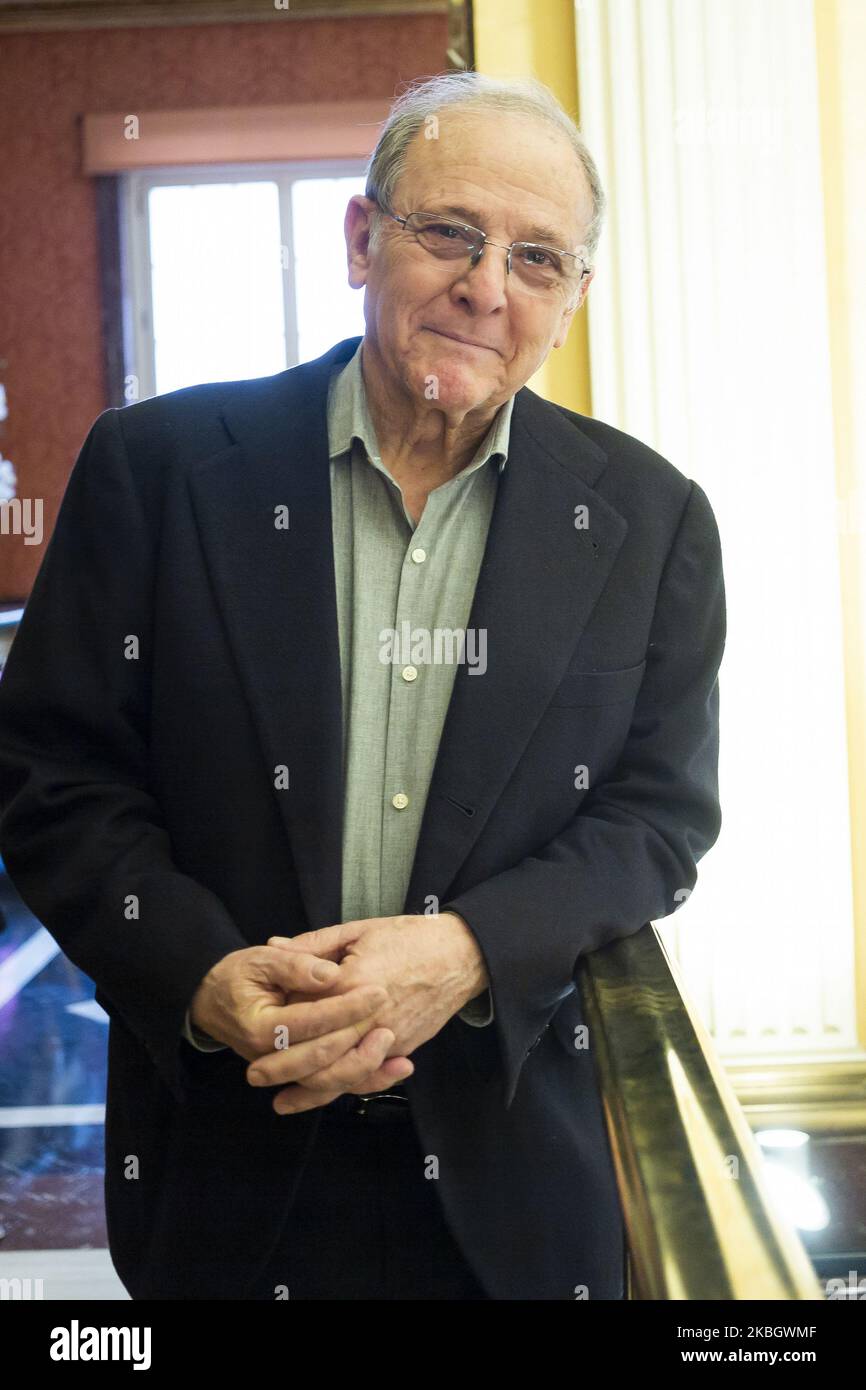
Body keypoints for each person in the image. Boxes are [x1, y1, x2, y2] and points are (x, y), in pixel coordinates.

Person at [0, 71, 725, 1300]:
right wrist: (198, 980)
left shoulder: (650, 520)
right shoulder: (157, 471)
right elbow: (52, 780)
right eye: (449, 231)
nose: (486, 287)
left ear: (574, 298)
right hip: (227, 1158)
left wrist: (467, 950)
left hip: (515, 1183)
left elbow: (657, 816)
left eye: (537, 258)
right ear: (360, 237)